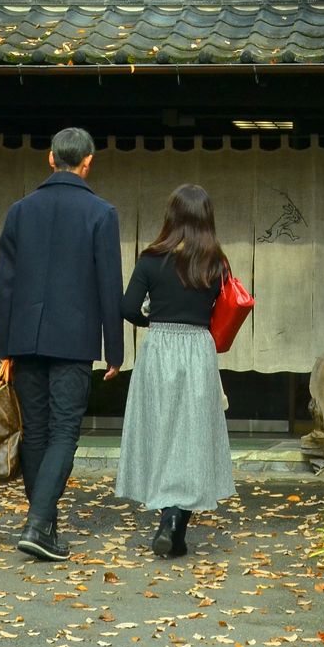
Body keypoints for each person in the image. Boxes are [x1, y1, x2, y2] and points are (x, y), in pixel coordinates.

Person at [0, 127, 124, 562]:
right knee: (65, 431)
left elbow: (5, 286)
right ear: (87, 162)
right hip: (74, 340)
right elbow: (109, 285)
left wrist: (4, 347)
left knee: (36, 432)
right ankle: (38, 525)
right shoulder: (101, 213)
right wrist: (116, 349)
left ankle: (42, 525)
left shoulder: (19, 211)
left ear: (50, 159)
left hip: (25, 337)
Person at [114, 184, 237, 557]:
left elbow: (128, 308)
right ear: (206, 219)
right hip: (198, 349)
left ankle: (169, 518)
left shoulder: (151, 258)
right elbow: (228, 307)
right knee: (192, 434)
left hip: (159, 349)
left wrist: (153, 316)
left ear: (171, 216)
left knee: (161, 431)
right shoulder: (217, 263)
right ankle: (173, 521)